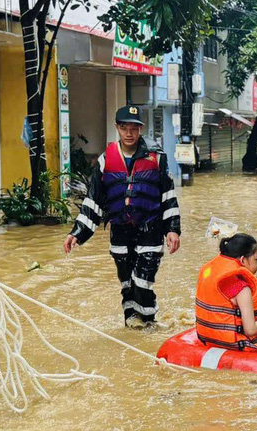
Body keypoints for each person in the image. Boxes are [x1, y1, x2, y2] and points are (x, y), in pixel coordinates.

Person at [64, 105, 181, 329]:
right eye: (124, 128)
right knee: (127, 283)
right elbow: (93, 200)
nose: (129, 133)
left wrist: (173, 229)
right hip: (120, 232)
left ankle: (149, 323)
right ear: (117, 128)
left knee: (142, 282)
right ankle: (131, 327)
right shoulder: (105, 160)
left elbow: (168, 197)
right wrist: (77, 233)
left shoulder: (157, 158)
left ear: (140, 130)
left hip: (150, 230)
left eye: (134, 128)